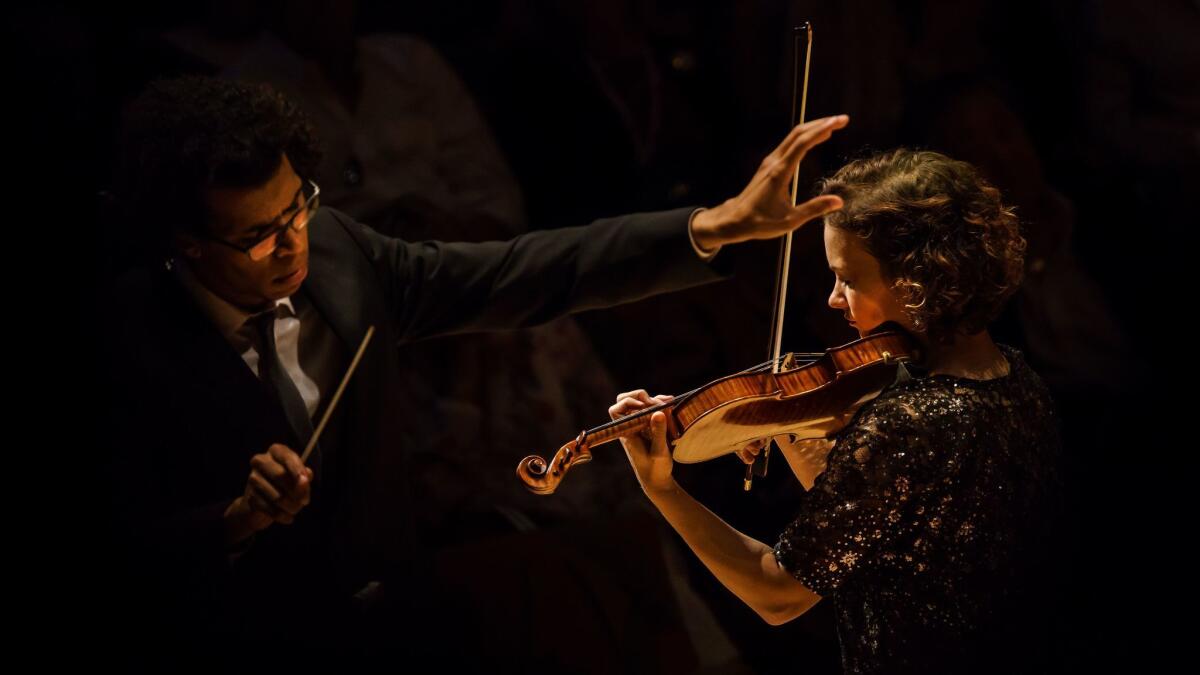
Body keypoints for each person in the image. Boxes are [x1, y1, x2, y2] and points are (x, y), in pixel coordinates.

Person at [103, 74, 850, 668]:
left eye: (297, 206)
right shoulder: (125, 343)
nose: (290, 242)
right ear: (187, 243)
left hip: (401, 631)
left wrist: (713, 225)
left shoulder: (337, 254)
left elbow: (516, 272)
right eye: (257, 236)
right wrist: (234, 520)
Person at [611, 149, 1063, 674]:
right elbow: (897, 539)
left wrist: (662, 488)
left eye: (847, 277)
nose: (832, 298)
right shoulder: (1021, 381)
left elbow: (777, 595)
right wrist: (776, 416)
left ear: (916, 278)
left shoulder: (906, 424)